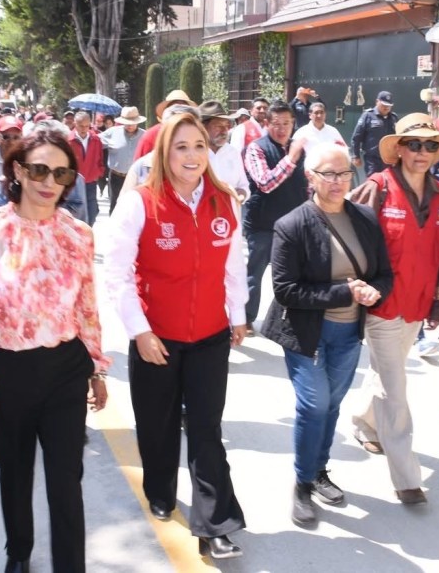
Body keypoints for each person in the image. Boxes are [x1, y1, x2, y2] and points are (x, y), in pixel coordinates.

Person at [0, 129, 109, 573]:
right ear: (17, 170)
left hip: (64, 370)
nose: (48, 181)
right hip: (5, 372)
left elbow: (87, 305)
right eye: (38, 169)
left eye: (60, 172)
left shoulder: (79, 235)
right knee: (14, 473)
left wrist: (97, 368)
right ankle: (19, 553)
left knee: (66, 479)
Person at [105, 111, 248, 560]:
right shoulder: (141, 202)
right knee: (157, 427)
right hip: (156, 339)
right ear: (164, 154)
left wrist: (237, 314)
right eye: (181, 147)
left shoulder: (224, 203)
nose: (192, 156)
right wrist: (140, 331)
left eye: (199, 146)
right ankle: (160, 490)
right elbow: (118, 275)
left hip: (209, 336)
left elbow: (234, 264)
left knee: (206, 430)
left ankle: (216, 524)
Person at [260, 142, 393, 527]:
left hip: (349, 332)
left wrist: (374, 290)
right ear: (310, 177)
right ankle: (301, 484)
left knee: (332, 404)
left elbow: (383, 272)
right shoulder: (292, 225)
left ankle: (319, 471)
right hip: (307, 333)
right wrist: (345, 291)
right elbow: (286, 290)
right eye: (328, 175)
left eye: (344, 174)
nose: (337, 182)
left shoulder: (365, 218)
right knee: (314, 404)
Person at [348, 114, 439, 504]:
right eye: (414, 144)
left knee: (385, 371)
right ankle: (407, 477)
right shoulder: (378, 187)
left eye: (430, 145)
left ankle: (363, 422)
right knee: (395, 387)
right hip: (383, 306)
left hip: (417, 305)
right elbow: (350, 238)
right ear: (399, 150)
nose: (422, 152)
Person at [242, 100, 309, 334]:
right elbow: (266, 183)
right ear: (267, 123)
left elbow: (305, 184)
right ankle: (246, 318)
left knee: (291, 275)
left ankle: (285, 320)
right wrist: (290, 159)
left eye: (287, 124)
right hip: (262, 224)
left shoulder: (298, 150)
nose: (282, 129)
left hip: (292, 224)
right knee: (255, 274)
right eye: (276, 124)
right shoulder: (256, 148)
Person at [98, 106, 146, 212]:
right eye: (127, 122)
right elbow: (95, 142)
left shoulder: (145, 136)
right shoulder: (112, 133)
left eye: (132, 122)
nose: (129, 125)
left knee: (134, 208)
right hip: (116, 177)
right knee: (115, 206)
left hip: (137, 178)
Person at [198, 100, 249, 198]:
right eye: (218, 126)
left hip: (229, 211)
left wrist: (242, 194)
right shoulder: (195, 154)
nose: (224, 131)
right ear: (203, 128)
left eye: (226, 126)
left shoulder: (233, 153)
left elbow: (244, 185)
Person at [133, 89, 197, 159]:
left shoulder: (196, 134)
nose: (179, 112)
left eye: (183, 109)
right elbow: (139, 166)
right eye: (174, 109)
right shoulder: (151, 135)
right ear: (167, 112)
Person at [69, 111, 104, 226]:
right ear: (75, 124)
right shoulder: (68, 140)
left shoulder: (96, 139)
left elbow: (100, 158)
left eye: (86, 126)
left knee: (92, 210)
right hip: (74, 182)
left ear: (90, 124)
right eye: (80, 125)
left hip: (90, 180)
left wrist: (98, 172)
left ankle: (88, 231)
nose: (83, 129)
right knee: (76, 211)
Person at [351, 91, 399, 177]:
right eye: (384, 104)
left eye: (389, 105)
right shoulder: (368, 116)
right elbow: (356, 137)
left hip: (389, 160)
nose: (386, 107)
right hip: (373, 160)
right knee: (374, 184)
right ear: (377, 102)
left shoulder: (394, 118)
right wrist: (356, 156)